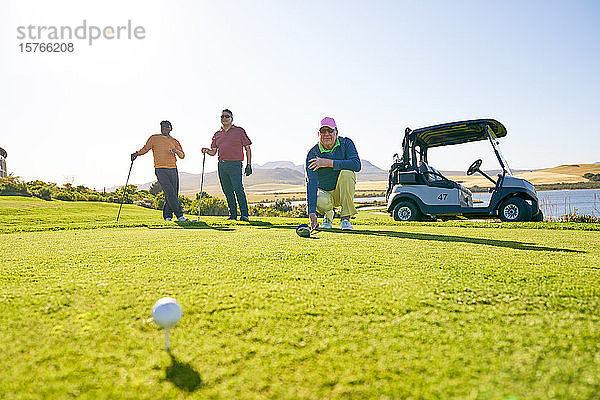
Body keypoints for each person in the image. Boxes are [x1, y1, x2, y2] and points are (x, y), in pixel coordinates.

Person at [306, 117, 361, 230]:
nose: (327, 134)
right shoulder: (313, 153)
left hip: (342, 192)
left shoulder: (346, 143)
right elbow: (311, 183)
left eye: (330, 130)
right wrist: (311, 213)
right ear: (318, 134)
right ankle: (328, 216)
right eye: (323, 131)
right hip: (325, 194)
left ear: (336, 132)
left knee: (347, 173)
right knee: (317, 197)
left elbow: (356, 165)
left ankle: (345, 218)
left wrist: (328, 163)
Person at [131, 120, 188, 222]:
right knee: (170, 192)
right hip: (160, 169)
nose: (164, 128)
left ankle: (167, 216)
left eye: (166, 127)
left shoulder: (175, 141)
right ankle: (180, 216)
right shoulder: (154, 138)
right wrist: (136, 153)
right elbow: (145, 149)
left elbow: (182, 155)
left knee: (172, 193)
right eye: (162, 127)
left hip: (173, 169)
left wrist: (176, 151)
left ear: (171, 128)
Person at [202, 109, 253, 222]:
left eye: (227, 116)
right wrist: (206, 150)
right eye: (222, 117)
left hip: (235, 164)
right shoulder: (217, 134)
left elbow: (248, 148)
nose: (224, 119)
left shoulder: (239, 131)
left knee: (238, 189)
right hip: (222, 165)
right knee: (227, 190)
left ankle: (244, 214)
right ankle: (233, 215)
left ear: (231, 118)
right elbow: (213, 152)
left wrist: (249, 164)